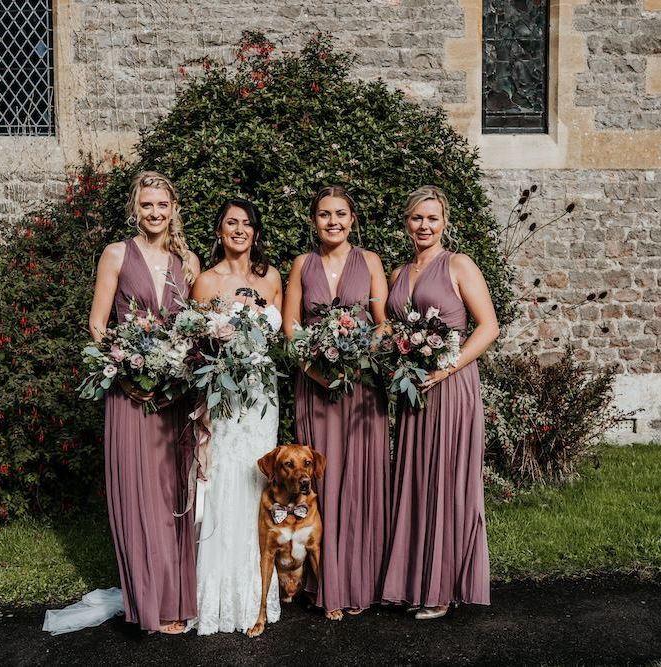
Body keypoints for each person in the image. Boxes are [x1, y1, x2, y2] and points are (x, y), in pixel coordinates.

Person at [88, 171, 200, 634]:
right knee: (138, 495)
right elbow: (98, 325)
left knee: (174, 494)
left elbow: (194, 324)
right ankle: (146, 603)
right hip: (130, 395)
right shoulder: (116, 254)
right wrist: (128, 372)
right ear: (135, 208)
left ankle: (175, 598)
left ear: (174, 209)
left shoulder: (188, 260)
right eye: (147, 205)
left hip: (175, 397)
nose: (155, 213)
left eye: (162, 205)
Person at [381, 186, 500, 619]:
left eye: (432, 219)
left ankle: (442, 587)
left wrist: (445, 368)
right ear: (406, 222)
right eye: (416, 218)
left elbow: (488, 327)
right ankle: (413, 581)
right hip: (414, 388)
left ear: (444, 223)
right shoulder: (398, 272)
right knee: (415, 478)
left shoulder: (459, 265)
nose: (424, 226)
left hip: (450, 384)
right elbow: (391, 330)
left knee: (446, 479)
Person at [282, 185, 391, 620]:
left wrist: (359, 355)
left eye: (341, 214)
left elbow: (383, 324)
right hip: (316, 387)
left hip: (361, 389)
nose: (333, 222)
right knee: (320, 484)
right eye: (325, 214)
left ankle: (362, 579)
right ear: (314, 221)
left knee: (361, 479)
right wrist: (314, 370)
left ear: (352, 219)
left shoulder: (371, 263)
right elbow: (291, 326)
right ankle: (321, 580)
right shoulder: (301, 265)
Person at [188, 197, 284, 635]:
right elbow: (197, 350)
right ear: (220, 231)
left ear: (256, 233)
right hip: (226, 396)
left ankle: (258, 594)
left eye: (247, 223)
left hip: (262, 394)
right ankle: (218, 596)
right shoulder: (206, 283)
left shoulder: (273, 279)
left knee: (259, 481)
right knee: (226, 479)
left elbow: (280, 338)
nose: (239, 230)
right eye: (231, 223)